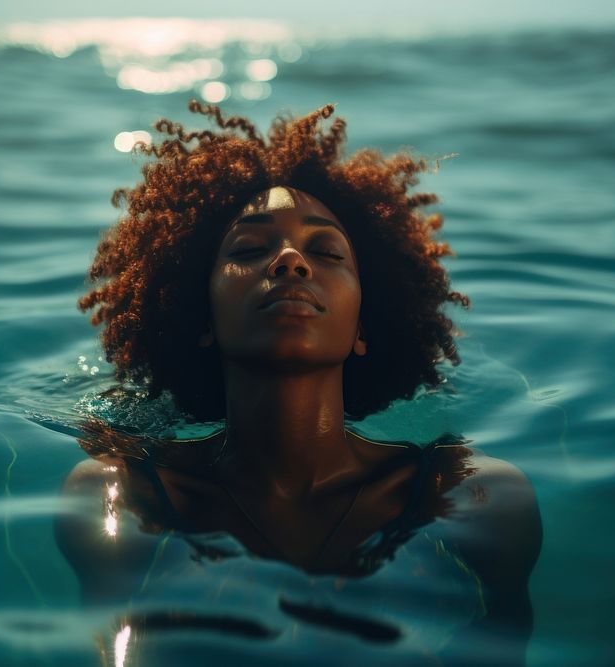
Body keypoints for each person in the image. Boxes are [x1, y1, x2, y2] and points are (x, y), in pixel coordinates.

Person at [58, 101, 542, 665]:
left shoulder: (476, 497)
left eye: (326, 250)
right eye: (249, 249)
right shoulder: (121, 492)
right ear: (202, 319)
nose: (291, 261)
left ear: (364, 325)